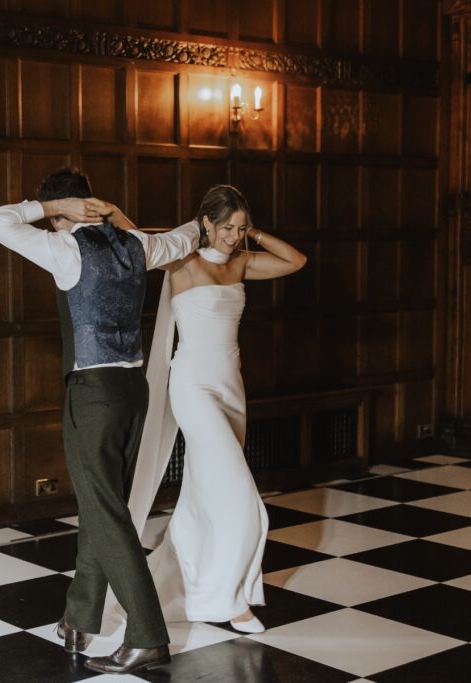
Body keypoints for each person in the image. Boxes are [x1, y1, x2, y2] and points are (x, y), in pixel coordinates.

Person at [0, 167, 199, 675]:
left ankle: (148, 637)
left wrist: (51, 211)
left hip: (94, 394)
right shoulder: (136, 246)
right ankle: (79, 620)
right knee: (106, 507)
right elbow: (185, 237)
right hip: (133, 393)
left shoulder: (65, 249)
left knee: (105, 515)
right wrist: (131, 218)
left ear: (62, 214)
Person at [126, 184, 307, 633]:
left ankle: (187, 581)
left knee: (206, 494)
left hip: (231, 387)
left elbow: (296, 261)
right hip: (192, 386)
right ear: (206, 223)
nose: (233, 236)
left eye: (240, 228)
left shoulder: (242, 262)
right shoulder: (182, 262)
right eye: (227, 227)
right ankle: (229, 601)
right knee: (244, 502)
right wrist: (119, 215)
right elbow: (138, 245)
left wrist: (256, 233)